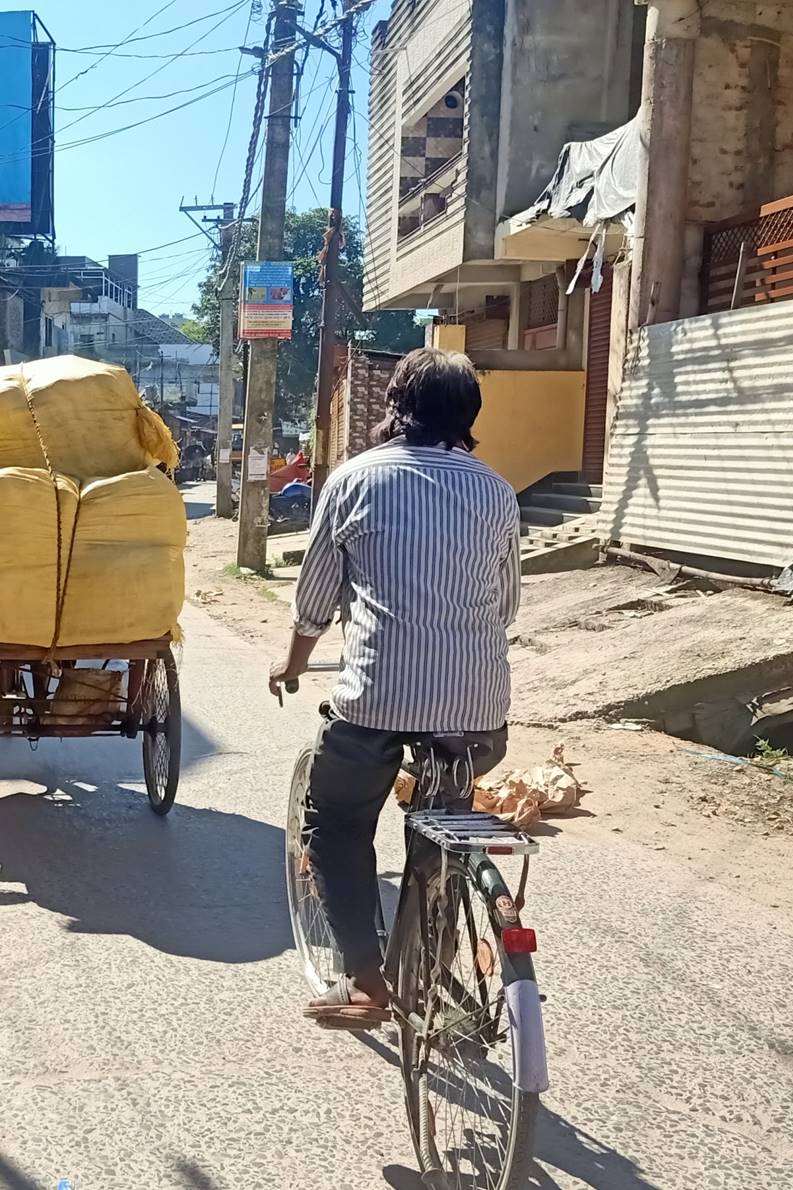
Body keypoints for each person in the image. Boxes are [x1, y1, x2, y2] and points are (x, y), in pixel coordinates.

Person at [268, 347, 521, 1030]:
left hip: (375, 701)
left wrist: (291, 665)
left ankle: (366, 980)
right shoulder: (497, 491)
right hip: (477, 711)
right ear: (469, 416)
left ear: (394, 407)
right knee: (440, 836)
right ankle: (432, 965)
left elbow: (314, 603)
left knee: (336, 825)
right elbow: (504, 608)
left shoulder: (354, 480)